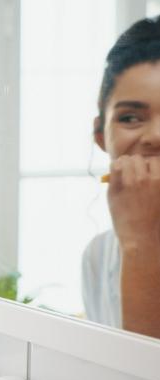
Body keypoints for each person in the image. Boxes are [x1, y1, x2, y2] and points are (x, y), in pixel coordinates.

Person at [83, 15, 160, 340]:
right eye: (130, 117)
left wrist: (141, 243)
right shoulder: (98, 255)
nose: (155, 136)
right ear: (101, 135)